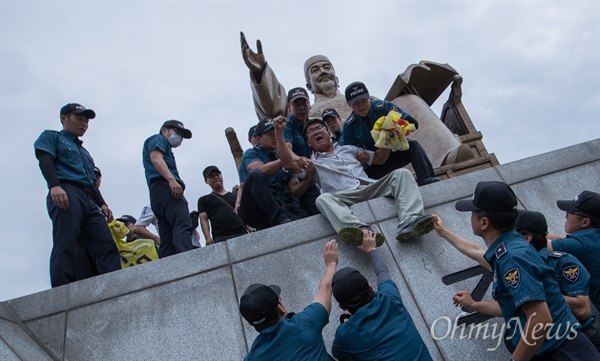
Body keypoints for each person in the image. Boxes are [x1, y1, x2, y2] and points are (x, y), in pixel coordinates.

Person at [240, 32, 471, 168]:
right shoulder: (307, 112)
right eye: (316, 70)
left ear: (337, 77)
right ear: (309, 84)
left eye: (327, 67)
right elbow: (274, 109)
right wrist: (261, 74)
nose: (323, 71)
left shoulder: (361, 98)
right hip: (343, 156)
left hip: (382, 144)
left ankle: (446, 155)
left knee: (407, 99)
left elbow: (391, 115)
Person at [452, 181, 599, 360]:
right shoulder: (511, 248)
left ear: (484, 222)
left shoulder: (512, 256)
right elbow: (515, 307)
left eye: (473, 213)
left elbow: (541, 319)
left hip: (563, 352)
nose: (470, 218)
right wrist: (474, 305)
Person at [275, 117, 434, 245]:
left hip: (370, 186)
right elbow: (288, 163)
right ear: (309, 142)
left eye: (319, 128)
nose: (316, 131)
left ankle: (411, 221)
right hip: (344, 196)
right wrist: (279, 133)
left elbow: (379, 159)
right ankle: (359, 230)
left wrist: (388, 136)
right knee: (322, 199)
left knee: (402, 174)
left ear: (329, 133)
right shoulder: (312, 163)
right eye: (311, 131)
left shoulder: (349, 149)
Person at [34, 103, 121, 287]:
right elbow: (45, 161)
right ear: (64, 118)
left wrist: (102, 204)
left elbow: (90, 181)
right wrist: (54, 186)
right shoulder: (52, 137)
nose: (84, 124)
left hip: (88, 199)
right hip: (66, 191)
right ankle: (61, 289)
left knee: (105, 243)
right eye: (79, 119)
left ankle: (115, 285)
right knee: (66, 241)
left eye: (87, 121)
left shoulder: (85, 153)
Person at [330, 230, 432, 360]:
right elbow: (382, 272)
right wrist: (372, 249)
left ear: (341, 305)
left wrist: (348, 323)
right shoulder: (390, 298)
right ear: (371, 289)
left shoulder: (344, 334)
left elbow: (339, 355)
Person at [239, 239, 338, 361]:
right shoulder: (305, 323)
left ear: (250, 323)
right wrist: (331, 263)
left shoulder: (253, 357)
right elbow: (326, 287)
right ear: (280, 307)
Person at [343, 81, 439, 185]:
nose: (361, 105)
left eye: (363, 100)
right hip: (374, 164)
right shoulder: (349, 126)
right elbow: (349, 155)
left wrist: (396, 128)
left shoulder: (383, 107)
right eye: (356, 103)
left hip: (395, 153)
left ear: (369, 98)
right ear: (349, 105)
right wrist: (361, 157)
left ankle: (426, 179)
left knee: (413, 145)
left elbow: (413, 123)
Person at [237, 119, 314, 230]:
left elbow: (295, 190)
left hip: (276, 210)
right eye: (269, 134)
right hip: (253, 210)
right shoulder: (251, 153)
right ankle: (279, 218)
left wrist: (308, 177)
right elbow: (258, 170)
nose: (274, 137)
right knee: (255, 175)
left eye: (276, 134)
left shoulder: (281, 156)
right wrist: (285, 160)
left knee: (303, 226)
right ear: (259, 139)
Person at [142, 120, 194, 258]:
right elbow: (156, 159)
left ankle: (167, 267)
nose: (180, 138)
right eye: (177, 132)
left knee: (167, 234)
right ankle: (189, 260)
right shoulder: (158, 139)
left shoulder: (167, 149)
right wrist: (171, 180)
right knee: (181, 224)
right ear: (164, 130)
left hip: (157, 192)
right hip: (166, 187)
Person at [549, 191, 600, 310]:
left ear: (585, 222)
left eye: (569, 213)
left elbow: (537, 243)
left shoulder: (581, 244)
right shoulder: (590, 239)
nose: (566, 217)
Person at [282, 87, 321, 218]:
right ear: (289, 107)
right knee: (293, 216)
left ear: (309, 105)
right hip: (290, 177)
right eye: (296, 104)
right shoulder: (288, 124)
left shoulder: (312, 125)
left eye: (303, 103)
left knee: (317, 209)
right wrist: (298, 158)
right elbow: (287, 148)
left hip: (309, 175)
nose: (301, 108)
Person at [197, 165, 247, 245]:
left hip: (241, 232)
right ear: (206, 181)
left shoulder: (235, 196)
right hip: (220, 237)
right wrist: (208, 237)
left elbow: (243, 213)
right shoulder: (203, 200)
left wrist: (250, 227)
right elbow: (203, 219)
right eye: (211, 176)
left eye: (217, 175)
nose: (216, 177)